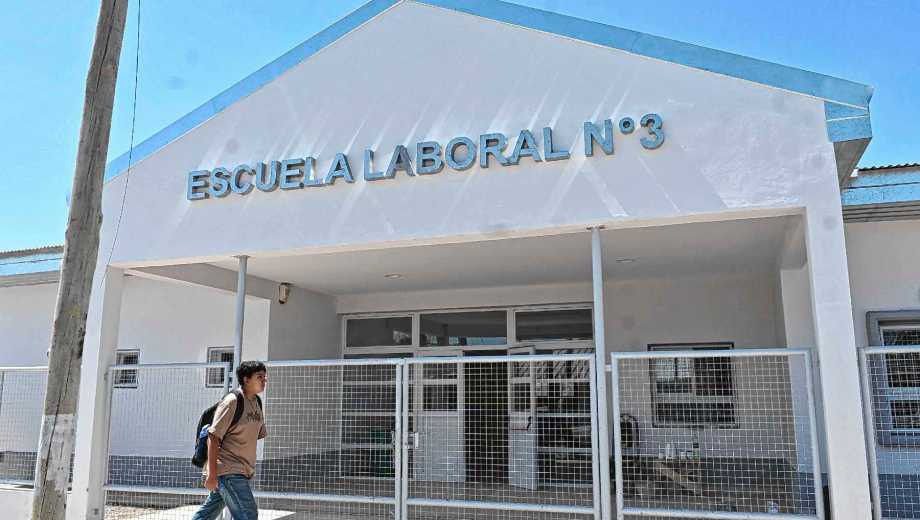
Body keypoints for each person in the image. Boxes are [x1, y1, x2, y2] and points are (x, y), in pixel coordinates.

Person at [192, 360, 268, 520]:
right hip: (228, 469)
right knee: (248, 514)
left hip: (241, 469)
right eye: (259, 377)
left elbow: (257, 434)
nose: (264, 380)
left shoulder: (257, 402)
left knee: (207, 514)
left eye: (264, 376)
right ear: (246, 379)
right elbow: (213, 437)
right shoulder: (232, 402)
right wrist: (212, 475)